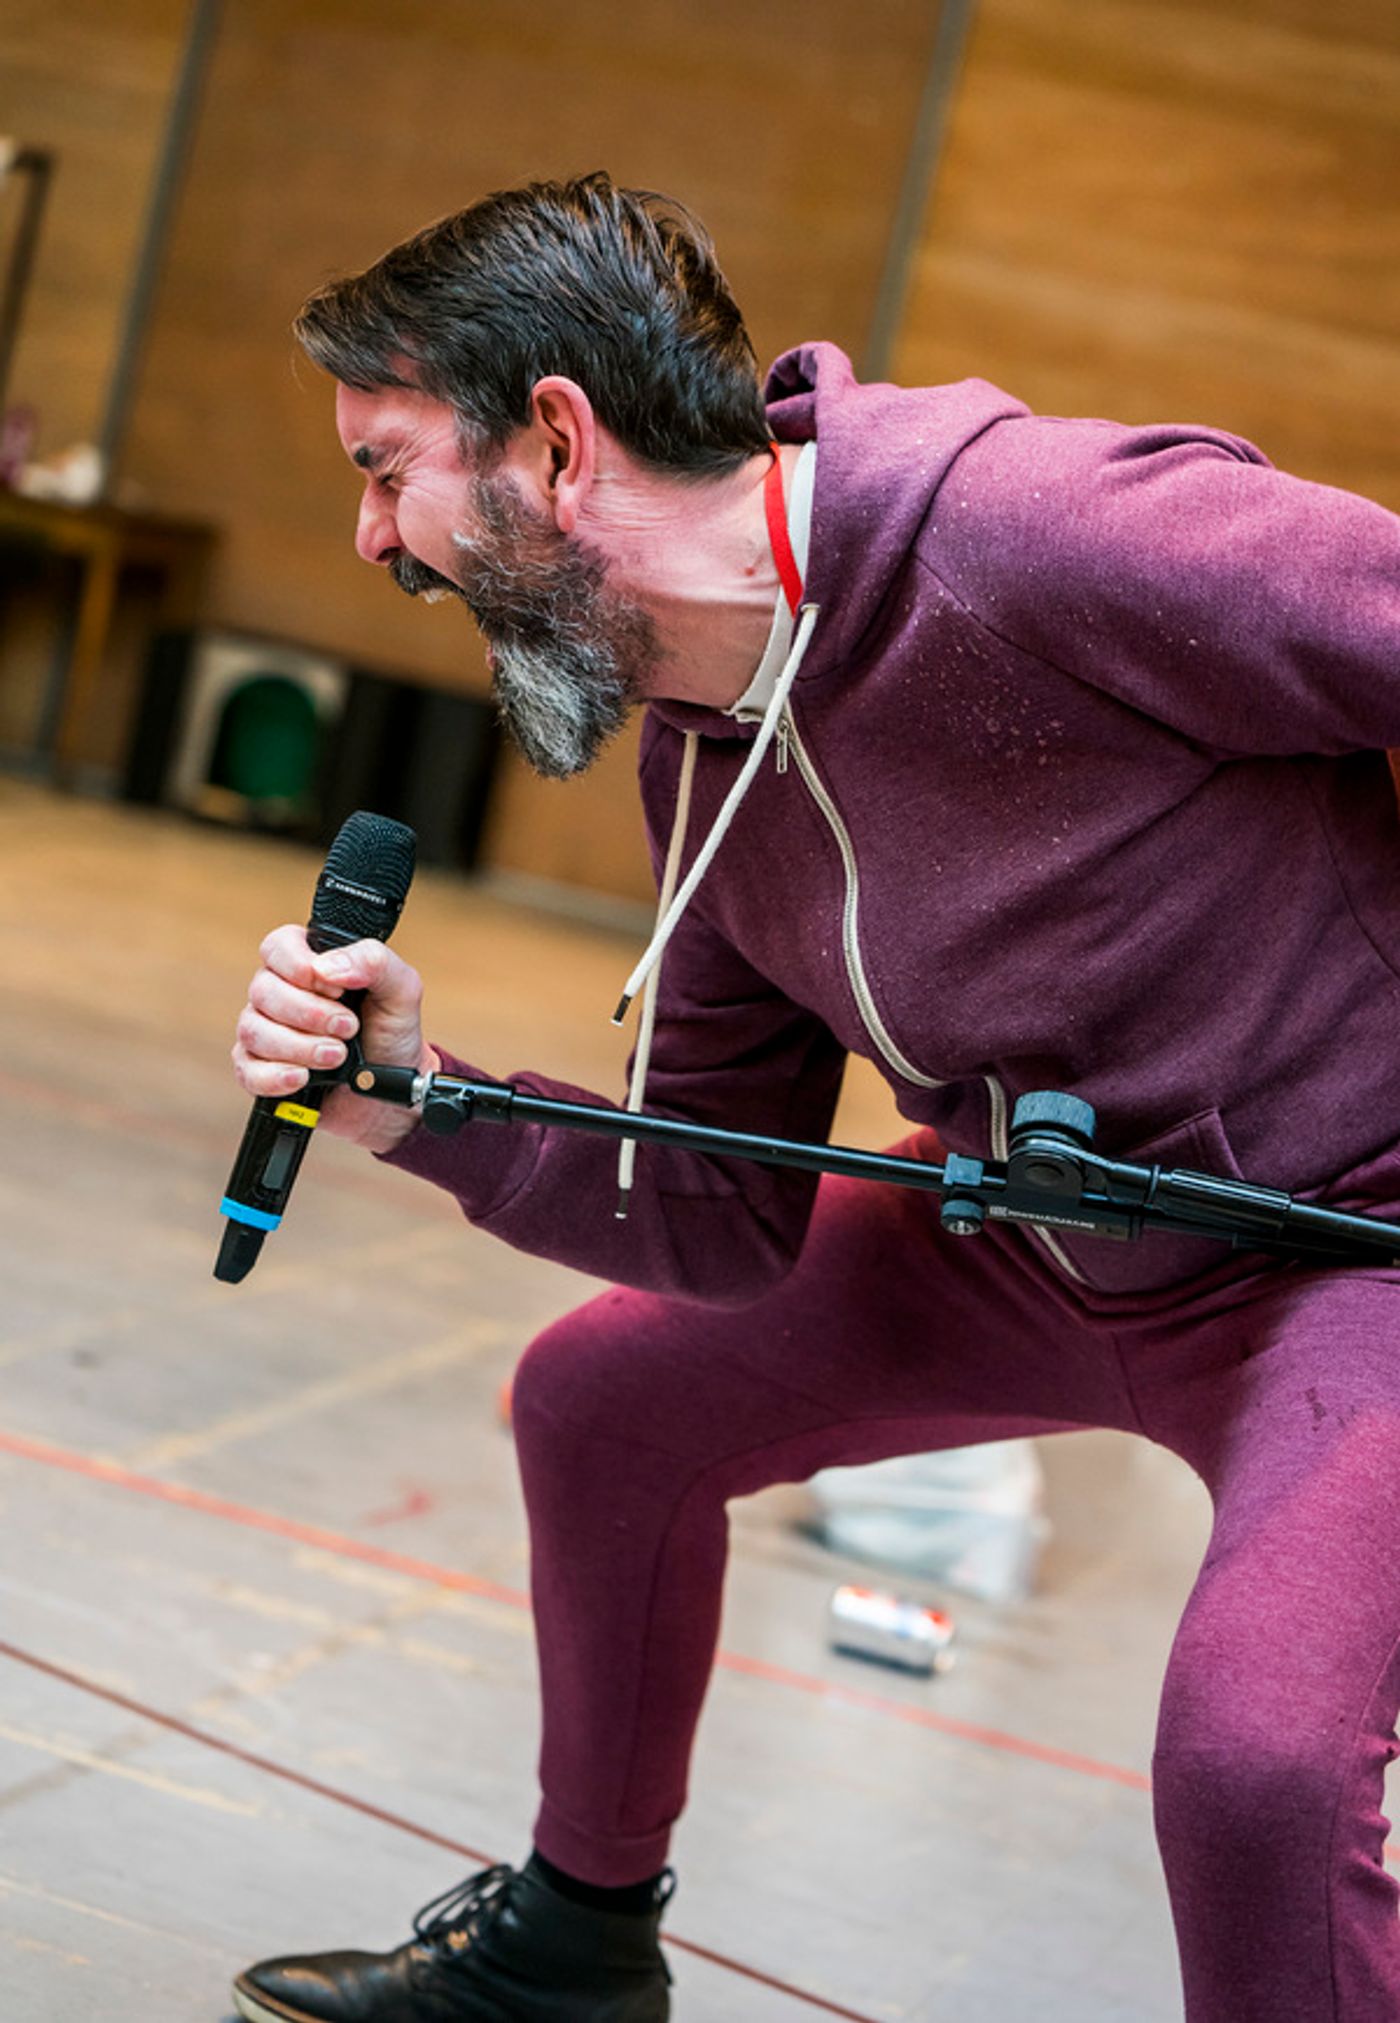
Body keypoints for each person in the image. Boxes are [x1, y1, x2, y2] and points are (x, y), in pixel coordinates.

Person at [228, 171, 1400, 2023]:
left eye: (387, 470)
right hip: (1036, 1235)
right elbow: (718, 1222)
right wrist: (415, 1102)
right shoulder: (703, 757)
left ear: (557, 446)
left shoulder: (1041, 536)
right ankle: (574, 1954)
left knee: (1258, 1763)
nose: (374, 538)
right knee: (607, 1404)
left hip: (1357, 1249)